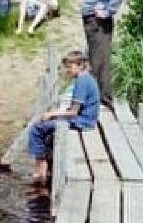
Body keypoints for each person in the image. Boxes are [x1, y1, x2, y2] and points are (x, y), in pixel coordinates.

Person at [28, 50, 100, 182]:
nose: (67, 70)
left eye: (70, 66)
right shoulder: (87, 78)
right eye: (66, 66)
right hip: (86, 119)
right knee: (47, 127)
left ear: (80, 65)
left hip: (83, 122)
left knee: (36, 129)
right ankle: (44, 161)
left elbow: (73, 112)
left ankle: (41, 166)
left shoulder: (82, 82)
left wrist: (52, 113)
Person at [79, 0, 124, 112]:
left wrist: (107, 11)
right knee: (95, 59)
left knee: (100, 61)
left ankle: (103, 100)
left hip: (98, 23)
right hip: (93, 23)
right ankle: (98, 98)